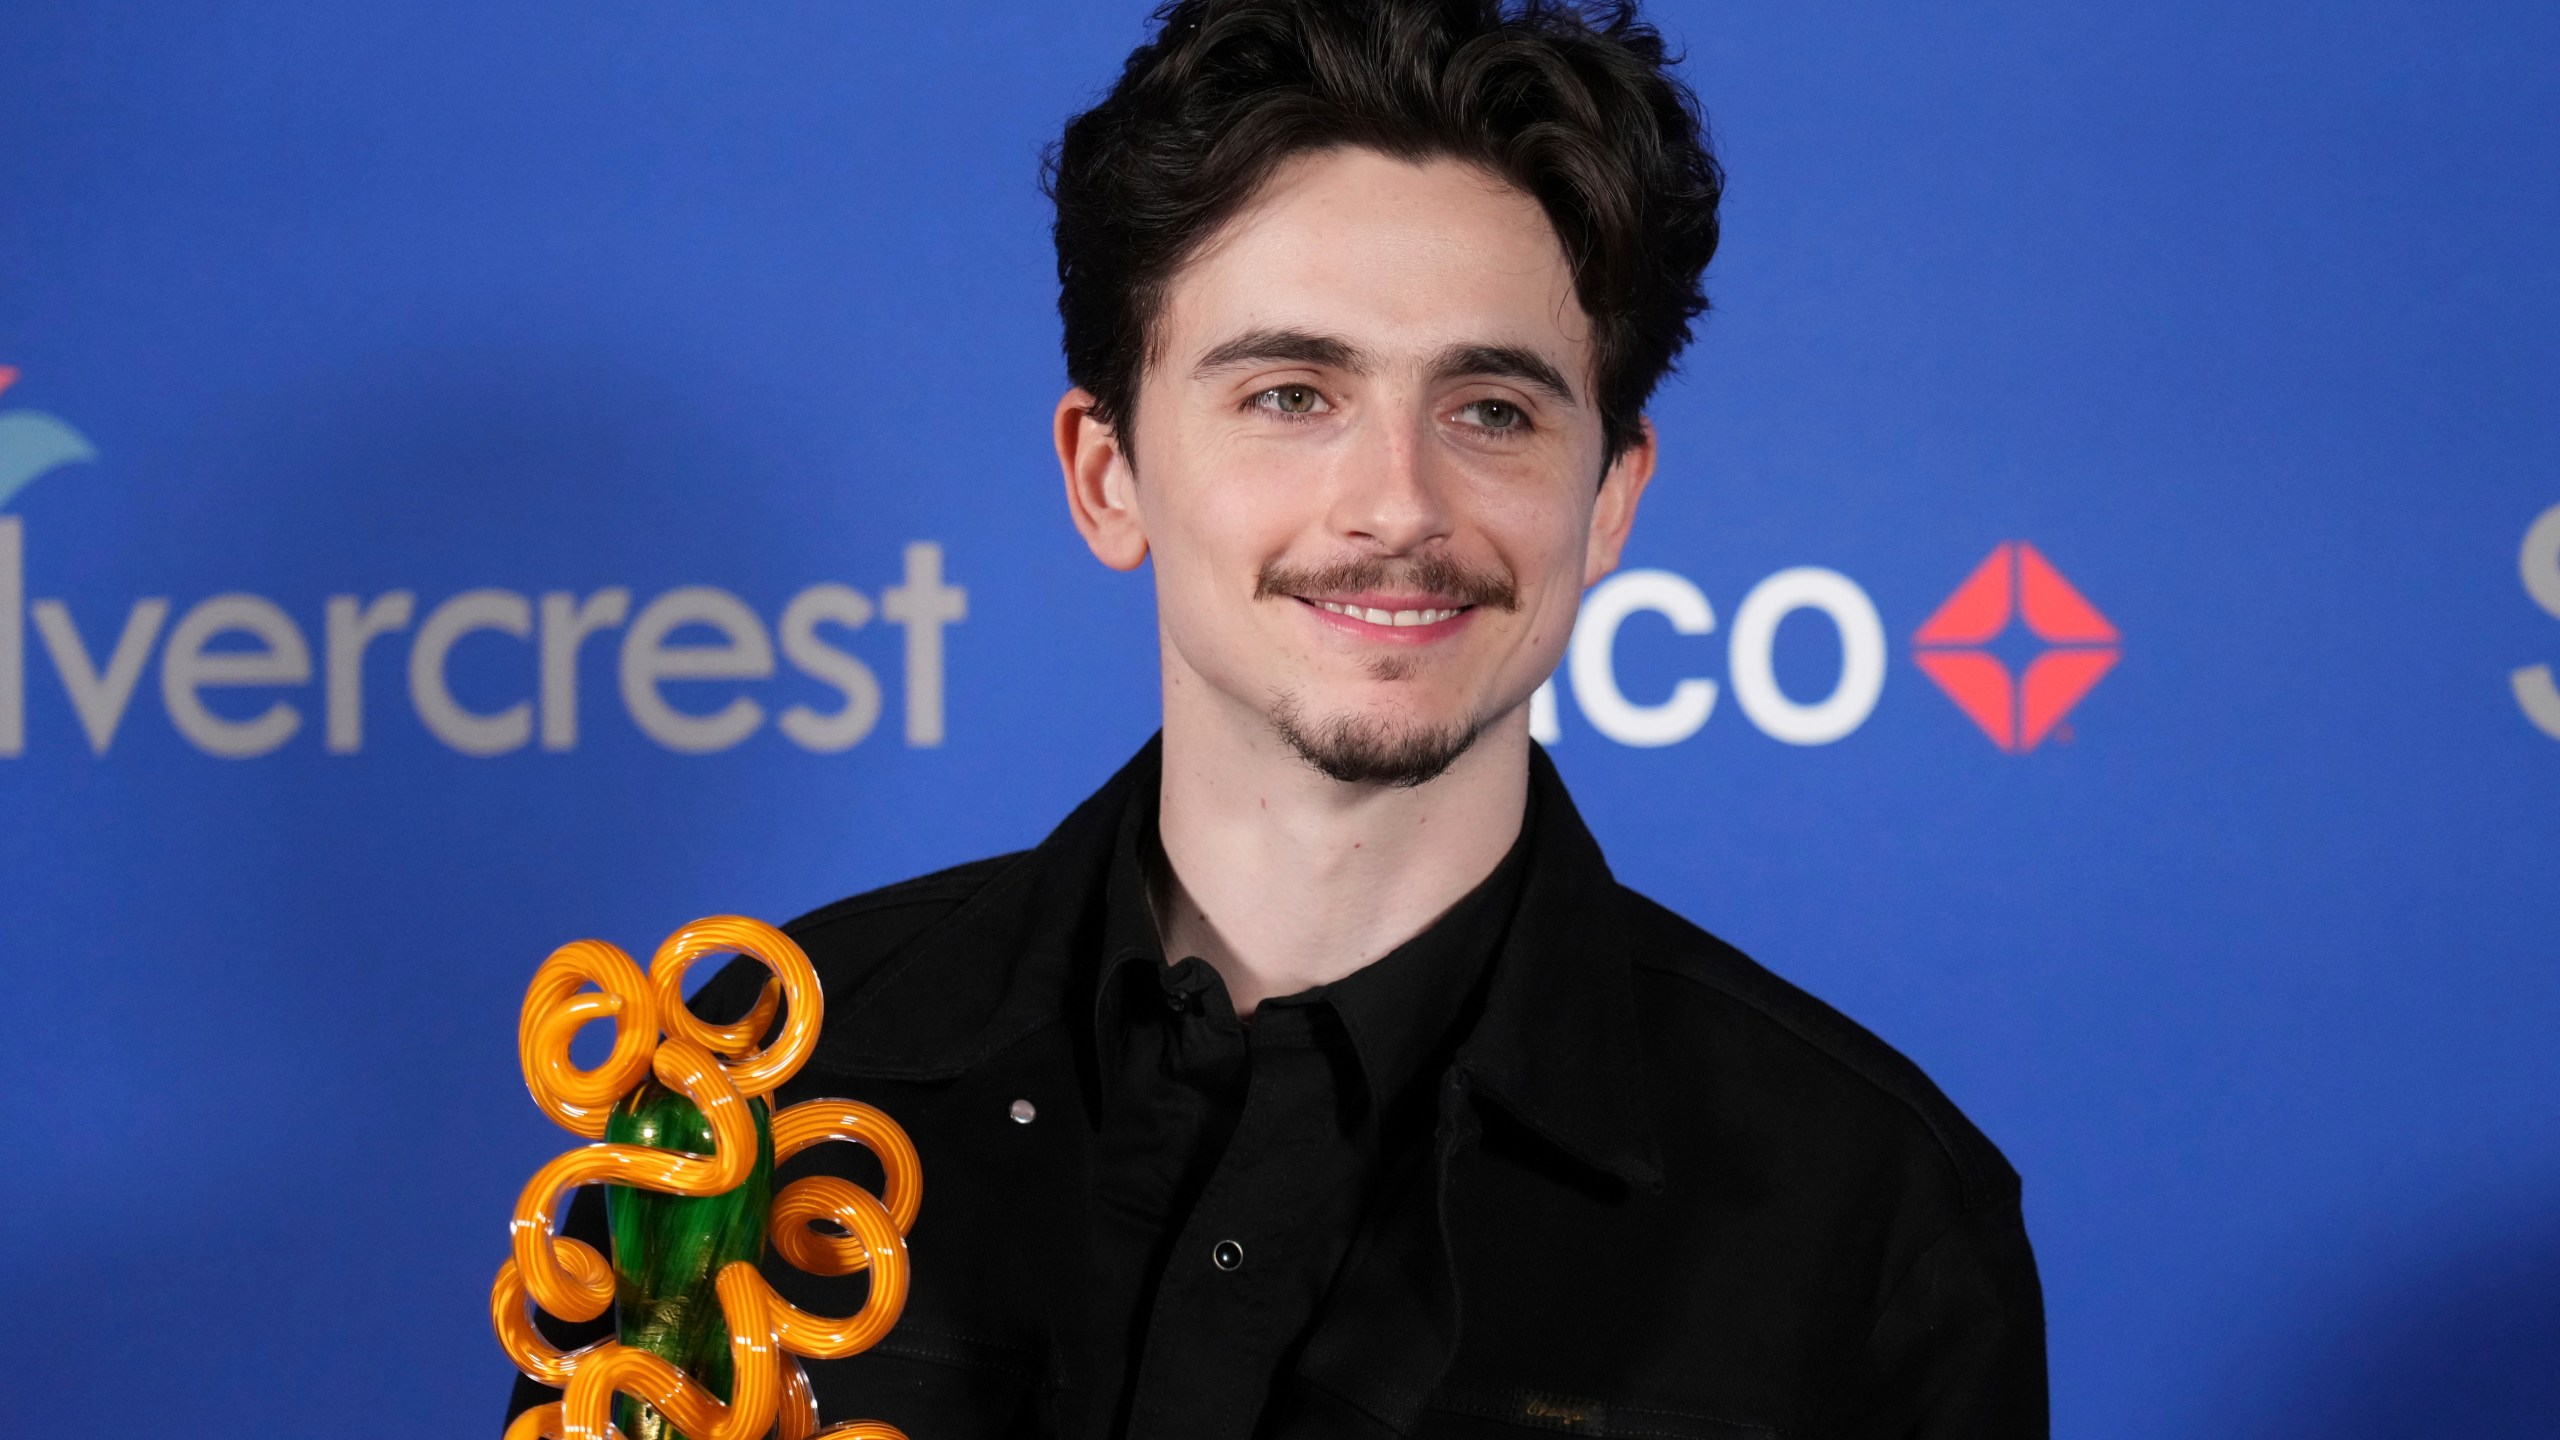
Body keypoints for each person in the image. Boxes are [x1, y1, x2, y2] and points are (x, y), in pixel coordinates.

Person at [509, 2, 2046, 1435]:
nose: (1397, 504)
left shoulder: (1873, 1224)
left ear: (1609, 500)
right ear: (1106, 474)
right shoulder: (754, 1091)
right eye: (1291, 394)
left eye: (1493, 410)